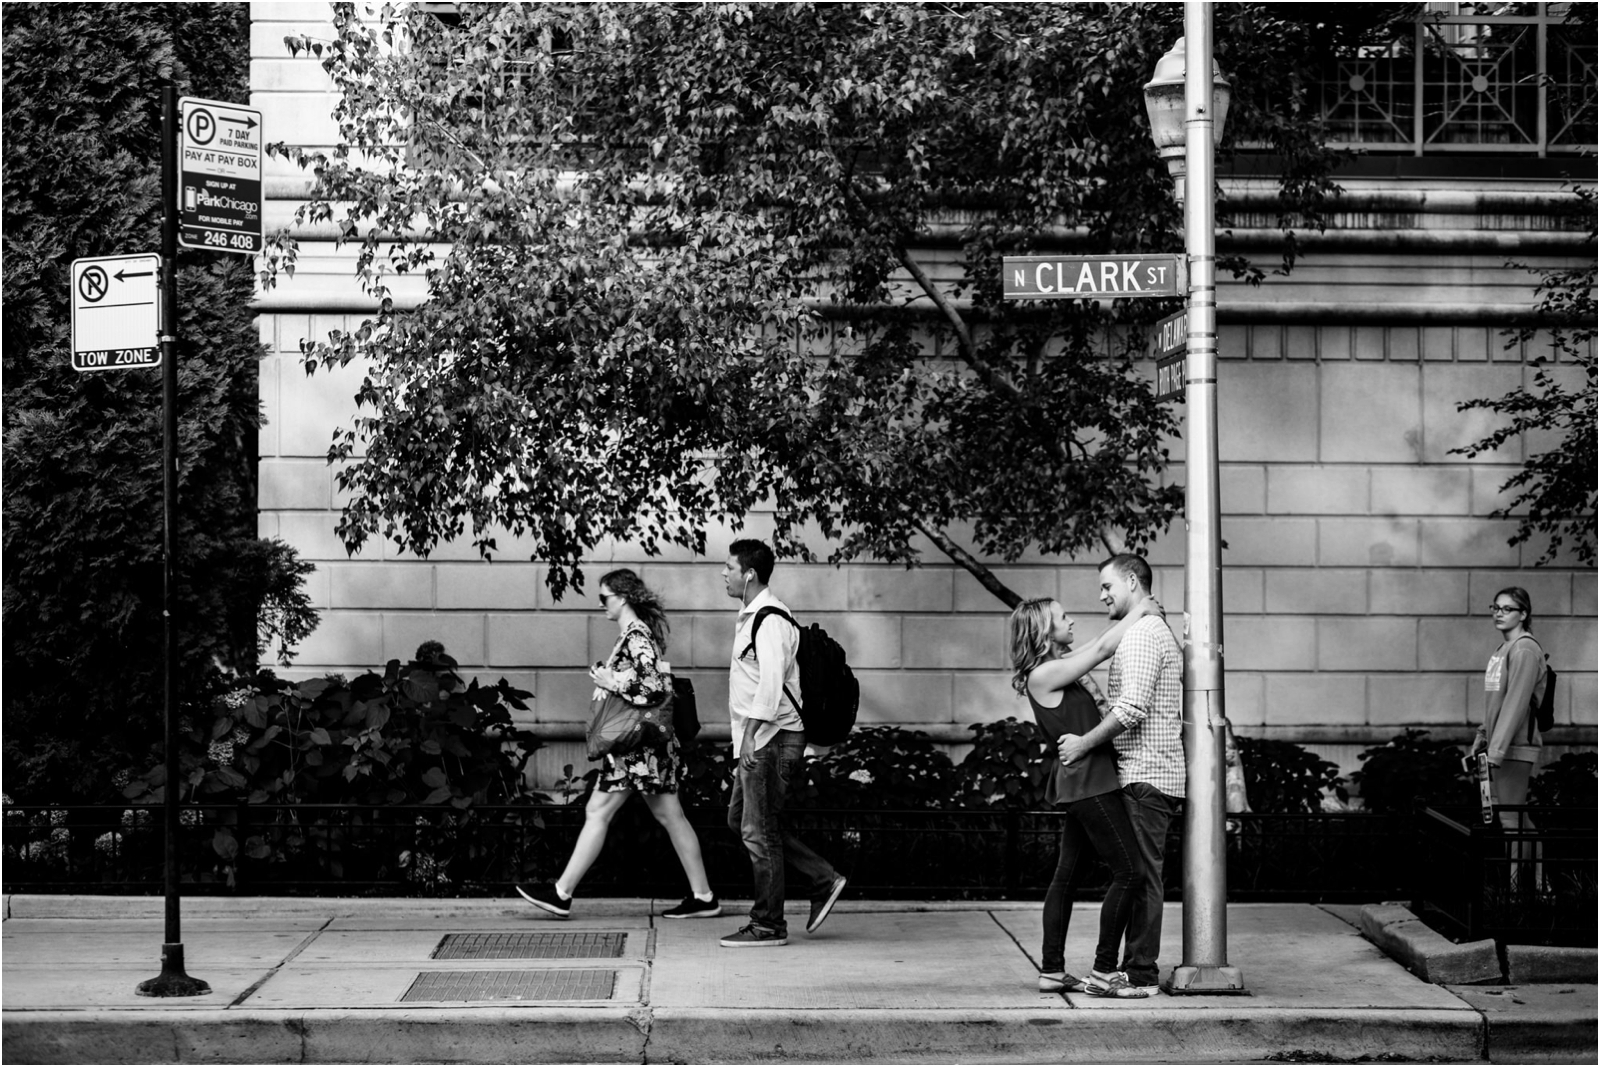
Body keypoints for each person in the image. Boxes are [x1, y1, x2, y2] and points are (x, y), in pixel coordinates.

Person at [515, 568, 720, 920]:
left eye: (604, 598)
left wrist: (613, 682)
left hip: (638, 753)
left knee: (601, 812)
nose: (601, 606)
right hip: (645, 751)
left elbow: (654, 688)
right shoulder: (634, 633)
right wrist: (611, 678)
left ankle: (562, 893)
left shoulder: (636, 635)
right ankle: (703, 897)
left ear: (622, 598)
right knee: (670, 816)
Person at [1008, 594, 1165, 999]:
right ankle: (1103, 972)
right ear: (1044, 629)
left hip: (1085, 782)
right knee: (1129, 872)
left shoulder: (1057, 668)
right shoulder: (1041, 675)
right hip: (1089, 784)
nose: (1072, 619)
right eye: (1063, 616)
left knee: (1067, 876)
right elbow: (1100, 648)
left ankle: (1053, 971)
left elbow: (1094, 644)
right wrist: (1140, 610)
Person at [1058, 554, 1184, 996]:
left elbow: (1131, 709)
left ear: (1132, 581)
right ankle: (1127, 968)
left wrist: (1084, 742)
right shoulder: (1140, 629)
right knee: (1133, 873)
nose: (1101, 595)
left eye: (1108, 586)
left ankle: (1139, 972)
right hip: (1141, 773)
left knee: (1142, 875)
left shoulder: (1145, 634)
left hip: (1146, 775)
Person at [718, 538, 846, 948]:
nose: (724, 574)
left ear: (749, 573)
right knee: (743, 824)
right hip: (759, 738)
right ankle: (822, 877)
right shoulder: (752, 616)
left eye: (728, 567)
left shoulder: (770, 620)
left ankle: (768, 924)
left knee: (758, 831)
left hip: (771, 739)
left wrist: (751, 736)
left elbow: (771, 688)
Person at [1467, 587, 1549, 843]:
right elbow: (1498, 702)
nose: (1499, 614)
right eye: (1495, 607)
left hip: (1515, 745)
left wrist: (1497, 751)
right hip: (1502, 745)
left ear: (1523, 614)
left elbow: (1516, 703)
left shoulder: (1524, 649)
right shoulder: (1504, 648)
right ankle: (1538, 882)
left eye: (1507, 609)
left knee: (1511, 819)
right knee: (1516, 818)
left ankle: (1516, 884)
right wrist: (1484, 734)